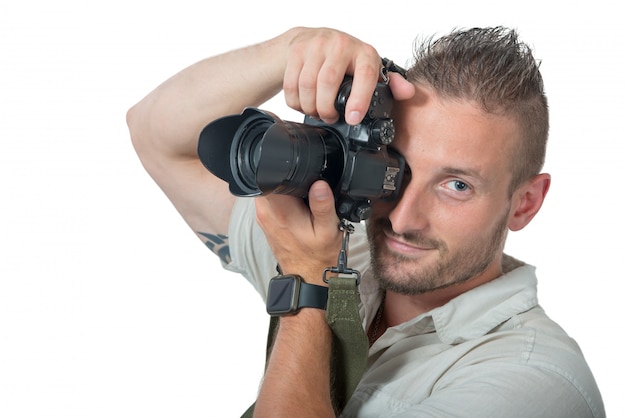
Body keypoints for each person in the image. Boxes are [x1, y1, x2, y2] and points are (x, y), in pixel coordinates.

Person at [127, 26, 605, 417]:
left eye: (456, 185)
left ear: (525, 203)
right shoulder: (345, 253)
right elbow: (155, 135)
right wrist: (290, 49)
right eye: (396, 170)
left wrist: (305, 284)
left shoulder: (536, 383)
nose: (402, 216)